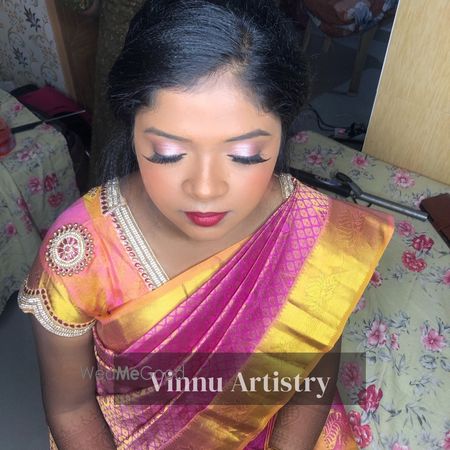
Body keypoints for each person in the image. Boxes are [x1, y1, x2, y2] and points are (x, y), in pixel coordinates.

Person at [18, 1, 394, 449]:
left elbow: (314, 367)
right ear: (132, 126)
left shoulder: (312, 232)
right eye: (169, 153)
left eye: (245, 155)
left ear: (282, 131)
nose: (205, 189)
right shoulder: (80, 253)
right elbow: (71, 409)